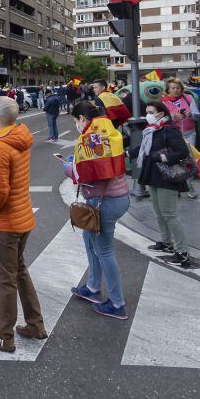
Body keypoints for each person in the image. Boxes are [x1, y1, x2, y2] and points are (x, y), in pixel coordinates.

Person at [0, 96, 46, 352]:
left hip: (5, 223)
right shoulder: (20, 137)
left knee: (5, 280)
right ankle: (35, 324)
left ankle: (4, 336)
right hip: (22, 216)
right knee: (19, 271)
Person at [64, 100, 131, 319]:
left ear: (82, 119)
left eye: (76, 120)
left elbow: (93, 176)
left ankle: (117, 302)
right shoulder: (107, 132)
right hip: (116, 197)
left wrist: (69, 168)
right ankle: (93, 287)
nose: (76, 125)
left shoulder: (92, 138)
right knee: (89, 238)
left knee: (104, 251)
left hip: (105, 202)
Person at [132, 102, 196, 268]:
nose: (148, 115)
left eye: (151, 112)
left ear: (161, 113)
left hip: (168, 177)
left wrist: (161, 158)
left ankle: (182, 252)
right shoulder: (152, 130)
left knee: (169, 214)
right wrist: (124, 153)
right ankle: (166, 243)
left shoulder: (169, 130)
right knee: (159, 212)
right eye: (147, 112)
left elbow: (182, 152)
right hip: (153, 176)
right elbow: (143, 149)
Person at [161, 78, 200, 198]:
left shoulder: (188, 98)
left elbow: (197, 116)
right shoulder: (163, 102)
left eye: (178, 88)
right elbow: (162, 120)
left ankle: (189, 185)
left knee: (190, 159)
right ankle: (176, 186)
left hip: (189, 133)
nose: (176, 90)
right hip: (174, 136)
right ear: (168, 90)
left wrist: (191, 115)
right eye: (173, 88)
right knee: (175, 160)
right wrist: (173, 117)